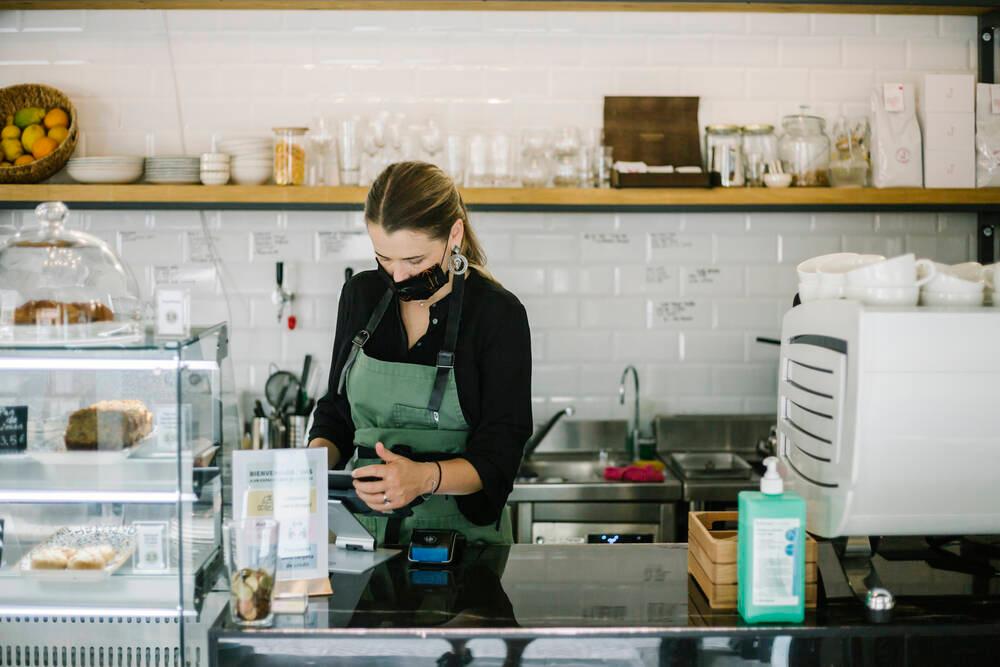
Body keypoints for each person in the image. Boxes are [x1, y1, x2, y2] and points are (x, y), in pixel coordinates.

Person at [308, 161, 532, 546]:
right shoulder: (361, 296)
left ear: (454, 235)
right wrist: (309, 468)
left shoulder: (497, 314)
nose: (397, 277)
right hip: (363, 536)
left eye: (414, 261)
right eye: (384, 258)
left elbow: (500, 455)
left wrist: (424, 477)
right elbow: (337, 413)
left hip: (463, 545)